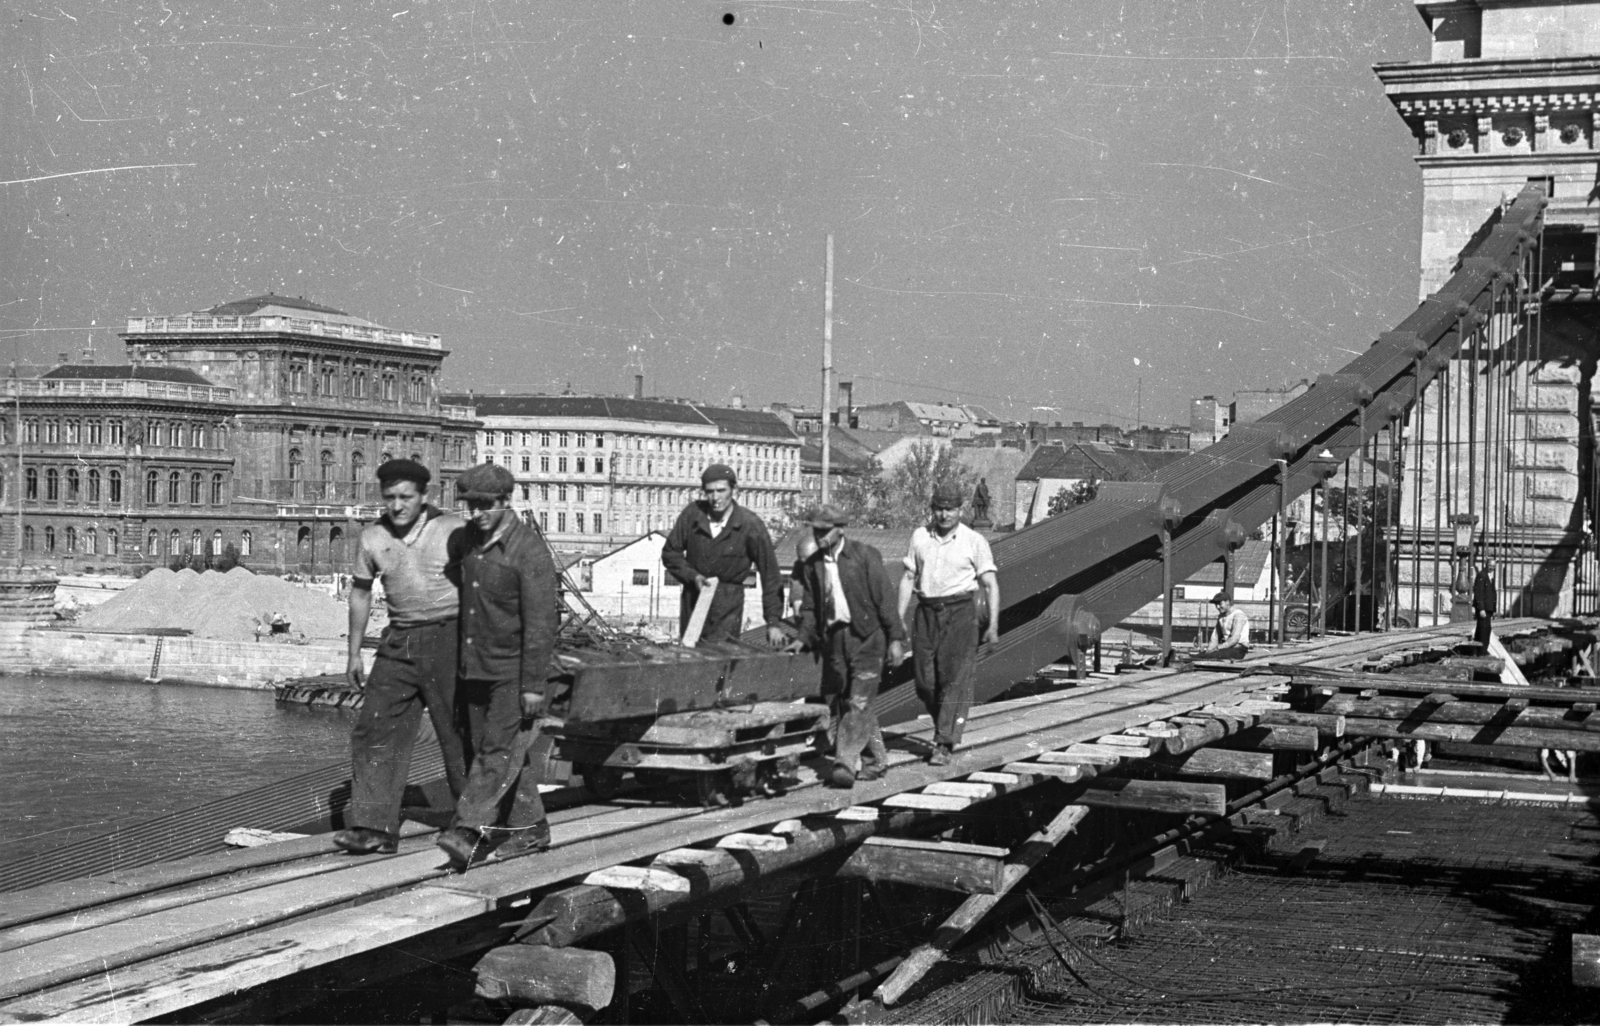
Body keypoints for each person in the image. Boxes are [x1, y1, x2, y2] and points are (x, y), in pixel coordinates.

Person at [334, 460, 470, 856]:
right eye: (389, 497)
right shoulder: (373, 536)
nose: (397, 506)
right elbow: (360, 593)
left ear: (425, 497)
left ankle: (472, 826)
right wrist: (354, 652)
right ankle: (374, 826)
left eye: (405, 497)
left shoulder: (453, 529)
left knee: (457, 732)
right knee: (375, 727)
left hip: (452, 636)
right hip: (401, 640)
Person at [435, 463, 560, 869]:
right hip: (475, 667)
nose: (476, 514)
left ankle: (466, 829)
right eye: (470, 506)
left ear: (506, 502)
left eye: (484, 506)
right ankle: (530, 828)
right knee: (496, 752)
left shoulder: (528, 550)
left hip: (513, 670)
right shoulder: (468, 541)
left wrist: (534, 685)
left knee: (496, 749)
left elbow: (542, 622)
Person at [793, 505, 907, 788]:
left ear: (840, 529)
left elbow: (886, 600)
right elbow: (809, 607)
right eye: (815, 530)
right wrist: (802, 638)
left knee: (857, 702)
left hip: (867, 639)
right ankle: (876, 760)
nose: (819, 536)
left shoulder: (864, 556)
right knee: (854, 702)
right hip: (836, 640)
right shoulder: (814, 565)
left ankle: (844, 763)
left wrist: (895, 639)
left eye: (824, 531)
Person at [898, 483, 1000, 766]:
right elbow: (908, 578)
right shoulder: (920, 537)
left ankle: (944, 742)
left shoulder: (974, 541)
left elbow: (990, 585)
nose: (944, 515)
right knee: (925, 682)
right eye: (939, 509)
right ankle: (945, 726)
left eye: (950, 509)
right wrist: (898, 620)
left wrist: (992, 625)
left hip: (960, 614)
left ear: (960, 510)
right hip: (927, 613)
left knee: (954, 680)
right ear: (933, 509)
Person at [661, 463, 786, 647]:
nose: (715, 498)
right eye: (710, 492)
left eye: (721, 490)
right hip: (694, 600)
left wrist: (773, 622)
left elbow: (771, 575)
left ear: (734, 489)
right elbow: (670, 553)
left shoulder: (750, 524)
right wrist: (693, 577)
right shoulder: (693, 515)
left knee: (719, 660)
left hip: (727, 603)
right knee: (690, 657)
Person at [1198, 592, 1250, 661]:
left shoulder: (1238, 615)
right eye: (1216, 604)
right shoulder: (1221, 617)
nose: (1217, 607)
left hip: (1239, 649)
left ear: (1227, 602)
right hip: (1228, 649)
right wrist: (1208, 650)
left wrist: (1217, 648)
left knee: (1212, 656)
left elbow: (1234, 639)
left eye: (1220, 604)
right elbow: (1215, 637)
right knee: (1202, 655)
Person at [1473, 554, 1498, 648]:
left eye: (1494, 566)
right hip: (1484, 608)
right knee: (1484, 629)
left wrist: (1494, 609)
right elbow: (1478, 593)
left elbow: (1492, 594)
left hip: (1488, 608)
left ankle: (1479, 649)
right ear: (1486, 564)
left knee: (1485, 629)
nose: (1492, 568)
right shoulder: (1482, 575)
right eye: (1490, 565)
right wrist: (1481, 609)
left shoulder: (1489, 576)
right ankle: (1482, 650)